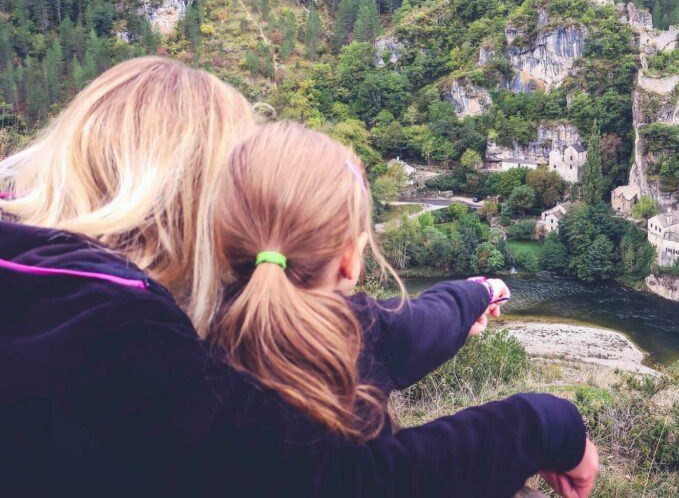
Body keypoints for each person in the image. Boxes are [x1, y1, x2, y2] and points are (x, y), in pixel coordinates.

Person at [0, 57, 599, 497]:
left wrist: (473, 295)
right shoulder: (129, 337)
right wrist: (543, 423)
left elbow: (395, 330)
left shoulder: (50, 285)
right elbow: (345, 484)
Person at [208, 121, 512, 440]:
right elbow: (438, 317)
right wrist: (484, 290)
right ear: (349, 259)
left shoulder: (192, 330)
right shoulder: (364, 330)